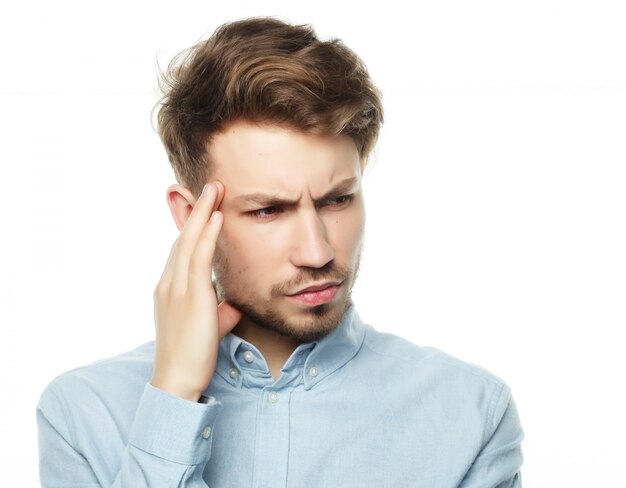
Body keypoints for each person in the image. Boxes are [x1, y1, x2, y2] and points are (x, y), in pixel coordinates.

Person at [37, 17, 524, 487]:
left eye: (337, 199)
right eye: (269, 210)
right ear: (191, 218)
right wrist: (173, 393)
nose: (317, 252)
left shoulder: (470, 415)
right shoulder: (83, 416)